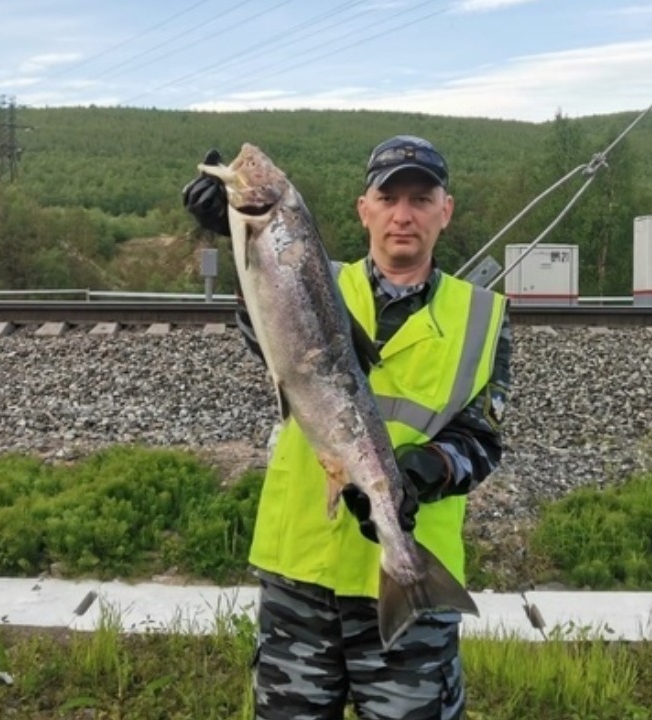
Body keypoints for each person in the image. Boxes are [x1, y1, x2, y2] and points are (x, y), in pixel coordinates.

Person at [183, 134, 512, 720]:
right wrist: (231, 238)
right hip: (299, 580)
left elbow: (482, 439)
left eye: (420, 198)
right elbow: (260, 323)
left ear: (446, 210)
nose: (403, 215)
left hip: (410, 583)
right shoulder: (310, 278)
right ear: (365, 210)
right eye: (388, 199)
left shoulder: (483, 317)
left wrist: (423, 472)